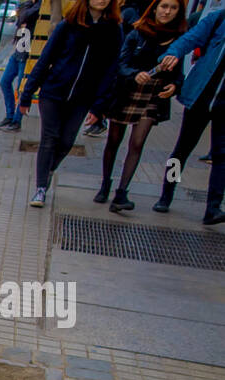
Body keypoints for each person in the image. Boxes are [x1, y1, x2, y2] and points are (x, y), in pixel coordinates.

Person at [18, 0, 124, 207]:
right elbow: (45, 58)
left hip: (83, 98)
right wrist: (27, 93)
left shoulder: (113, 30)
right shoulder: (69, 24)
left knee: (66, 141)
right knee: (50, 138)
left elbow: (110, 70)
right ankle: (40, 188)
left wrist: (100, 106)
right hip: (53, 92)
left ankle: (47, 170)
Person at [93, 0, 186, 209]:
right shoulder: (137, 32)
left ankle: (121, 193)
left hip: (153, 96)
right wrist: (134, 74)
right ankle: (105, 184)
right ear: (154, 8)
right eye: (164, 6)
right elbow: (121, 63)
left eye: (173, 8)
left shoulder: (179, 40)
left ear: (179, 12)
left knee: (137, 143)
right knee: (114, 140)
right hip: (127, 91)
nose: (167, 11)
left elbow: (179, 75)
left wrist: (174, 86)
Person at [152, 6, 225, 221]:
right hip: (200, 98)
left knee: (222, 156)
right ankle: (166, 195)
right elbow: (190, 38)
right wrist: (172, 53)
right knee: (182, 149)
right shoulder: (219, 18)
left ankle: (213, 208)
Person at [0, 0, 42, 131]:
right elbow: (21, 16)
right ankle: (10, 116)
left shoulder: (40, 6)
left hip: (29, 54)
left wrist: (24, 13)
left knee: (21, 88)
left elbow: (24, 15)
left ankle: (16, 121)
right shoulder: (29, 3)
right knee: (4, 82)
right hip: (19, 50)